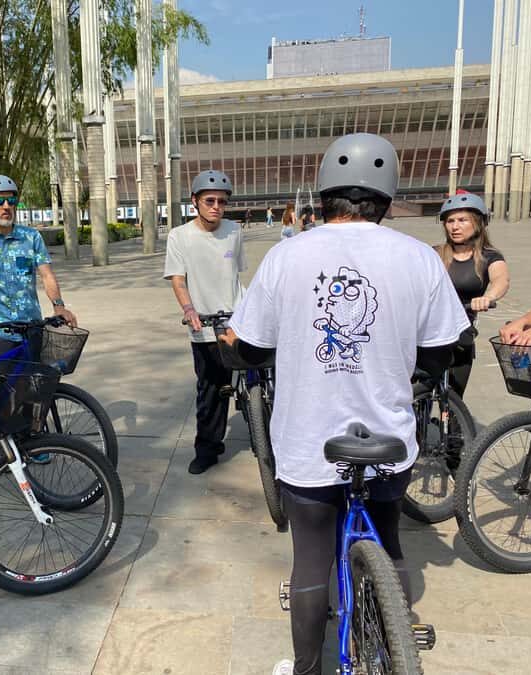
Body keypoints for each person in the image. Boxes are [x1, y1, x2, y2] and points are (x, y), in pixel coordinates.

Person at [223, 133, 468, 675]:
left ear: (323, 194)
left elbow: (254, 349)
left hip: (308, 442)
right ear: (385, 198)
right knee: (390, 542)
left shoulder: (286, 255)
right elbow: (441, 353)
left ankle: (310, 668)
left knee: (310, 556)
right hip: (388, 439)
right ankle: (392, 639)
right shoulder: (419, 258)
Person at [164, 169, 246, 475]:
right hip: (203, 324)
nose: (216, 206)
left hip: (236, 320)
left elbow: (236, 276)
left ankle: (261, 424)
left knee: (259, 378)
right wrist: (189, 309)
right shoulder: (180, 236)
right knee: (211, 389)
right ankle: (208, 448)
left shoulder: (235, 231)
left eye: (222, 202)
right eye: (209, 200)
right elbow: (177, 278)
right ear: (194, 201)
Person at [0, 174, 77, 358]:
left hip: (32, 325)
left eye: (11, 200)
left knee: (36, 382)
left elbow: (46, 275)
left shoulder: (31, 237)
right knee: (6, 384)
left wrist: (59, 307)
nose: (6, 207)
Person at [436, 191, 509, 396]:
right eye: (450, 221)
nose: (455, 226)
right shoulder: (434, 254)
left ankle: (453, 425)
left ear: (478, 223)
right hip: (429, 330)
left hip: (461, 333)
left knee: (454, 398)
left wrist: (489, 297)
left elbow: (500, 279)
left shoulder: (489, 257)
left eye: (462, 220)